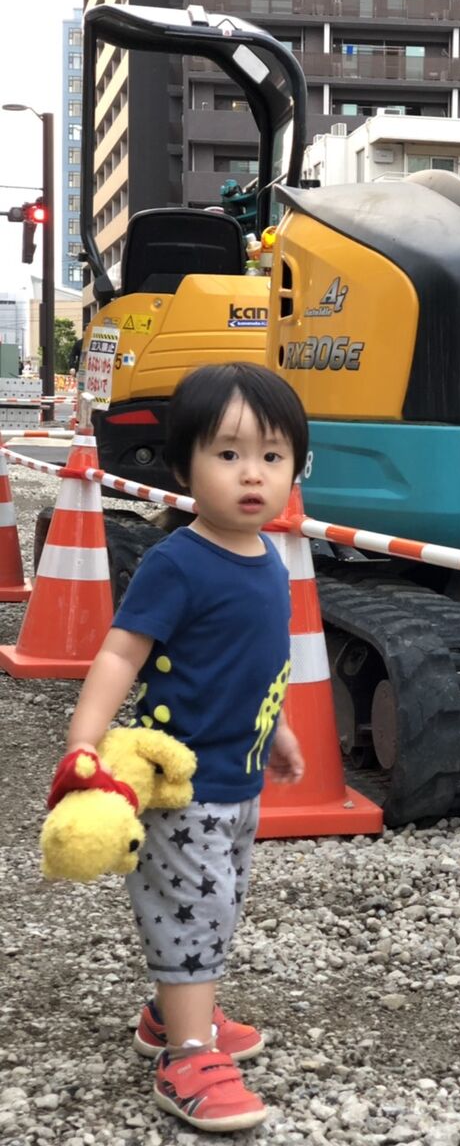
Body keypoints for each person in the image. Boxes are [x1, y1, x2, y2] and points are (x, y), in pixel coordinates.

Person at [52, 361, 309, 1132]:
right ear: (181, 466)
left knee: (218, 904)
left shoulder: (269, 558)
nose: (252, 474)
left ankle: (170, 1017)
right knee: (194, 914)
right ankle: (187, 1057)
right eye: (227, 454)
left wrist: (283, 727)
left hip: (241, 778)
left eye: (271, 455)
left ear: (297, 466)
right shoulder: (178, 561)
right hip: (180, 784)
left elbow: (260, 660)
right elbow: (120, 654)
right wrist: (83, 744)